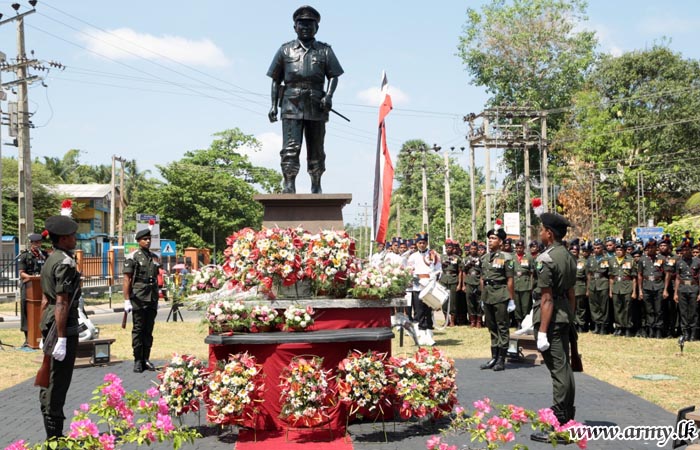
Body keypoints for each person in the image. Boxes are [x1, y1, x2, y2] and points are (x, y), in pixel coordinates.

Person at [267, 5, 344, 194]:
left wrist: (329, 96)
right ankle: (289, 184)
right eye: (301, 25)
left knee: (316, 148)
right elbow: (276, 80)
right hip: (291, 104)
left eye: (310, 25)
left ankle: (316, 183)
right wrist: (272, 106)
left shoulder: (325, 51)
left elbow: (334, 75)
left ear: (316, 28)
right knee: (290, 148)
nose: (305, 28)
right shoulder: (285, 50)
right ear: (295, 27)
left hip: (317, 105)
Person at [531, 213, 577, 438]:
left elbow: (547, 298)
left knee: (559, 372)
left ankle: (559, 423)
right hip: (564, 315)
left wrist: (541, 332)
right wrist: (571, 316)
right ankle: (567, 416)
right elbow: (571, 293)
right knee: (565, 369)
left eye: (542, 230)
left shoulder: (545, 259)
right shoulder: (567, 256)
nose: (540, 233)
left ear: (549, 233)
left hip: (551, 319)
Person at [39, 215, 81, 439]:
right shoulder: (64, 262)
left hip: (50, 322)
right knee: (58, 380)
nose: (75, 238)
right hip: (61, 325)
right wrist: (62, 338)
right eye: (72, 235)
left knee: (52, 377)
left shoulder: (51, 258)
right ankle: (54, 436)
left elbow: (45, 300)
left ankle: (53, 431)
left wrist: (41, 333)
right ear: (63, 239)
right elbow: (61, 301)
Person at [123, 229, 160, 373]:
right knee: (138, 329)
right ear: (138, 241)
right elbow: (127, 279)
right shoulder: (133, 257)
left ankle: (146, 358)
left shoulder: (154, 257)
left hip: (152, 297)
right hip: (138, 297)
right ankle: (137, 360)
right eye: (144, 239)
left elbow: (157, 277)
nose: (148, 241)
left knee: (148, 330)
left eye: (149, 238)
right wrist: (126, 300)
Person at [479, 227, 514, 372]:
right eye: (489, 238)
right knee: (491, 327)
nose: (490, 241)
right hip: (487, 295)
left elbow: (510, 280)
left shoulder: (507, 258)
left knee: (502, 327)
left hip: (500, 295)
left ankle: (501, 359)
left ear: (500, 242)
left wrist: (511, 299)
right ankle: (494, 357)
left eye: (493, 238)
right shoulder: (485, 258)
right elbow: (482, 278)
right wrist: (482, 297)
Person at [407, 232, 441, 346]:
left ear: (427, 243)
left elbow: (438, 269)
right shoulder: (413, 256)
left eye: (424, 243)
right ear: (417, 244)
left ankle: (429, 334)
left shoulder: (433, 255)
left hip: (430, 286)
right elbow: (409, 272)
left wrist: (433, 279)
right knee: (419, 311)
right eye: (420, 243)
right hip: (418, 287)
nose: (422, 245)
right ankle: (421, 334)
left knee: (428, 311)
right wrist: (418, 282)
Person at [18, 233, 48, 346]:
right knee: (26, 311)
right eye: (35, 243)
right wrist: (31, 278)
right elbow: (22, 273)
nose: (38, 245)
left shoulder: (44, 255)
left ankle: (44, 336)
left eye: (39, 242)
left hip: (42, 286)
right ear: (31, 243)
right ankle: (28, 338)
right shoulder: (25, 256)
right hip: (28, 287)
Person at [669, 241, 700, 341]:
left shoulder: (697, 261)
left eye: (688, 249)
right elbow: (677, 278)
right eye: (684, 250)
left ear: (691, 250)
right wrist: (675, 293)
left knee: (693, 311)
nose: (686, 251)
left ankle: (693, 333)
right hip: (682, 289)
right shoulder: (679, 262)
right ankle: (685, 332)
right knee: (683, 312)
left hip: (694, 288)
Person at [609, 242, 637, 337]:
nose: (618, 252)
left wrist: (634, 291)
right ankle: (619, 327)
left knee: (627, 308)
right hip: (616, 287)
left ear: (624, 251)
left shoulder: (631, 260)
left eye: (620, 250)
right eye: (617, 250)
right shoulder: (612, 261)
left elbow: (634, 277)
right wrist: (610, 290)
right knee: (617, 308)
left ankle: (628, 327)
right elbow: (611, 277)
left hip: (627, 286)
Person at [587, 239, 611, 334]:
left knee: (603, 306)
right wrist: (588, 287)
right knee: (594, 306)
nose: (596, 250)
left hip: (603, 283)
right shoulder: (590, 259)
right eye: (595, 248)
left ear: (602, 248)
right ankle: (597, 324)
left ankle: (603, 326)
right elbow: (589, 274)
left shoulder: (607, 259)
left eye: (598, 248)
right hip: (593, 284)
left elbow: (610, 274)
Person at [512, 238, 534, 329]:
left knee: (525, 305)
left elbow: (532, 272)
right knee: (517, 305)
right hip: (515, 284)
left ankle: (525, 322)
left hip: (525, 284)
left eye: (520, 247)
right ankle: (518, 322)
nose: (519, 249)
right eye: (517, 248)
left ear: (524, 248)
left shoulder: (528, 257)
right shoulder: (512, 257)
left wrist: (532, 284)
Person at [439, 240, 461, 327]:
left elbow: (460, 271)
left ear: (453, 248)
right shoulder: (441, 257)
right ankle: (446, 320)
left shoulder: (457, 258)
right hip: (444, 279)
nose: (448, 249)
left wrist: (459, 284)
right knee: (444, 301)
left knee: (453, 301)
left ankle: (452, 321)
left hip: (453, 279)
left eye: (450, 247)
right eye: (447, 247)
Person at [462, 241, 483, 328]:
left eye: (475, 249)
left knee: (479, 301)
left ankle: (479, 321)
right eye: (472, 249)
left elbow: (483, 272)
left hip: (478, 281)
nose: (473, 250)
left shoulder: (481, 259)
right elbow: (463, 272)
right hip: (469, 281)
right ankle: (472, 321)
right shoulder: (465, 259)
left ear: (477, 249)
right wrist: (463, 284)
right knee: (470, 302)